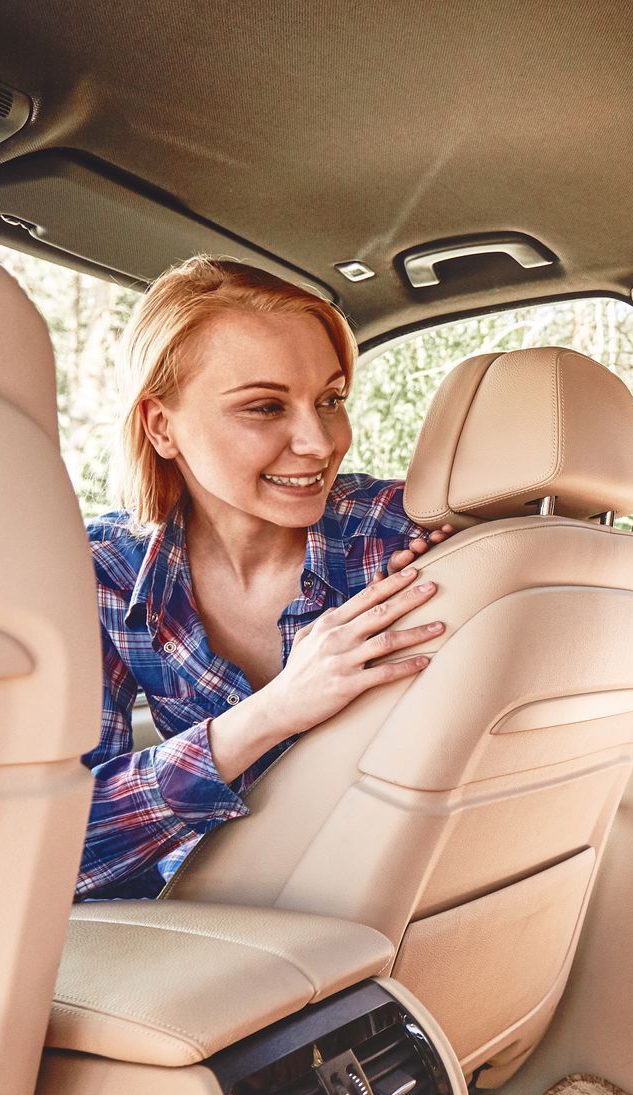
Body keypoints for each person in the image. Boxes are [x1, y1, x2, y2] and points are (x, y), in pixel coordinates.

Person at [79, 257, 455, 900]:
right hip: (205, 924)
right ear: (161, 426)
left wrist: (464, 561)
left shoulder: (403, 539)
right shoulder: (107, 569)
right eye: (264, 408)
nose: (319, 442)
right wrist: (271, 714)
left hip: (374, 915)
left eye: (330, 400)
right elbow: (62, 845)